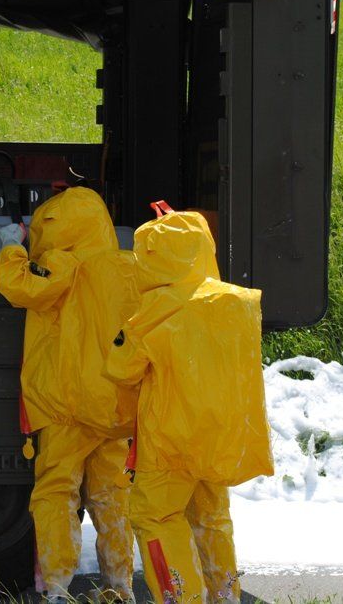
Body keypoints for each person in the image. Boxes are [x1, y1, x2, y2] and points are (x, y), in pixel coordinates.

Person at [104, 204, 272, 604]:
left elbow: (120, 368)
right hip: (219, 438)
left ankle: (182, 598)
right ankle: (226, 595)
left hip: (170, 441)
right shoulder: (236, 301)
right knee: (211, 518)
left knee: (154, 517)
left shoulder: (156, 309)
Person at [0, 186, 139, 603]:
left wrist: (11, 246)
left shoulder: (63, 264)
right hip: (113, 407)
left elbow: (19, 287)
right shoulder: (128, 268)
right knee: (112, 495)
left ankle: (58, 588)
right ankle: (120, 585)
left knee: (57, 491)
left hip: (67, 405)